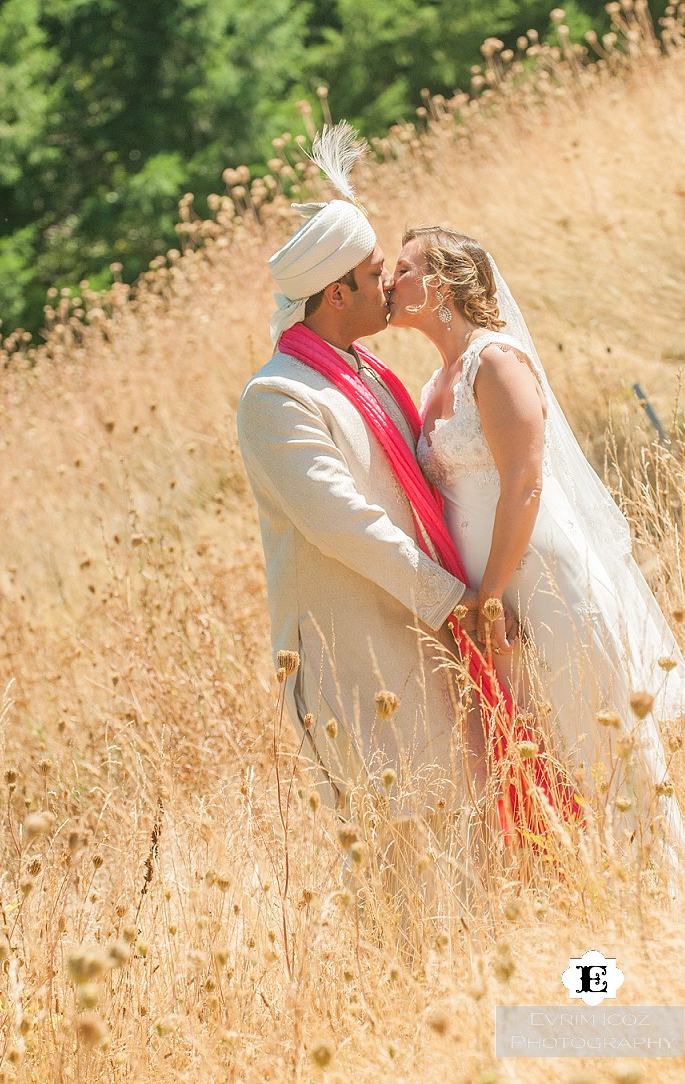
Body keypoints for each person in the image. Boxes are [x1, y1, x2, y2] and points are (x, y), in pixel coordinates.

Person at [387, 225, 685, 873]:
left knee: (603, 746)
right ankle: (591, 901)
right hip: (492, 596)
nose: (390, 283)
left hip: (544, 580)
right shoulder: (432, 381)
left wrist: (494, 593)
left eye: (404, 269)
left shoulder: (495, 361)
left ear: (441, 285)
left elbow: (524, 483)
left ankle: (660, 896)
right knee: (547, 750)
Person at [236, 141, 492, 824]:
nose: (390, 284)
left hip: (418, 634)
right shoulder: (277, 399)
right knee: (399, 847)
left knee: (463, 830)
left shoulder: (367, 370)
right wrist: (455, 598)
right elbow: (343, 521)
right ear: (337, 292)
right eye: (377, 272)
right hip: (355, 658)